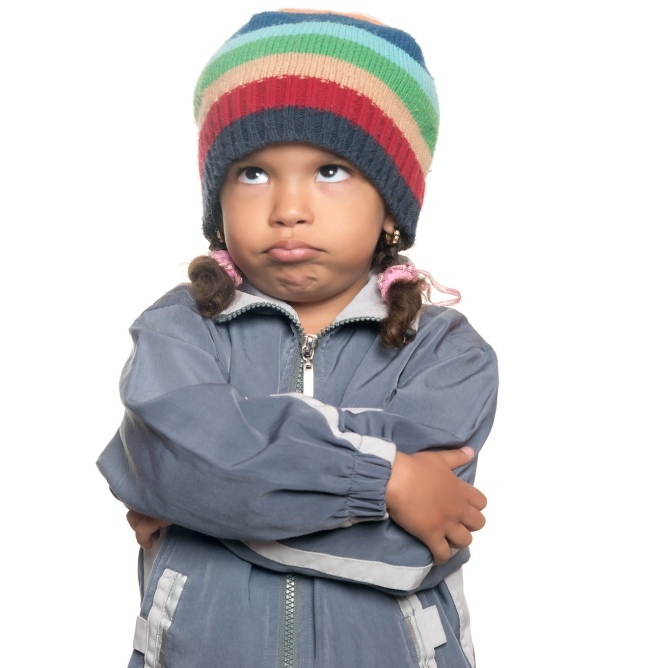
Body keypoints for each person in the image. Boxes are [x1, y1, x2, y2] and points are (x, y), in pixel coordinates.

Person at [97, 9, 499, 667]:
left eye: (331, 170)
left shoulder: (447, 352)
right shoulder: (177, 330)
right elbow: (181, 464)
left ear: (393, 205)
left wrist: (203, 496)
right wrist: (388, 477)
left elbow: (407, 550)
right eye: (252, 172)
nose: (288, 207)